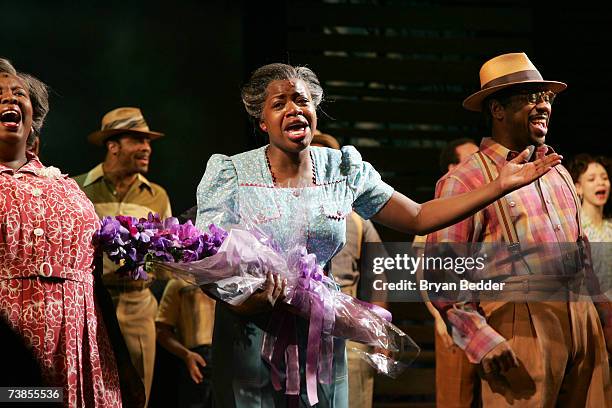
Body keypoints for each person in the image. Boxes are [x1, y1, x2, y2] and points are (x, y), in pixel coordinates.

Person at [195, 62, 562, 407]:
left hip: (320, 334)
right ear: (263, 120)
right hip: (252, 332)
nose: (294, 109)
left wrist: (497, 186)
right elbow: (206, 258)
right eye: (280, 103)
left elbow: (418, 216)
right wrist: (247, 300)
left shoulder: (341, 167)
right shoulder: (231, 173)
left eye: (302, 100)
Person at [426, 52, 611, 406]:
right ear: (497, 109)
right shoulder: (466, 179)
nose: (543, 106)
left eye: (547, 98)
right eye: (531, 98)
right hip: (519, 323)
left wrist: (602, 318)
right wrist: (480, 338)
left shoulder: (556, 170)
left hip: (582, 322)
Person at [0, 58, 122, 405]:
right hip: (14, 343)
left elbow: (93, 274)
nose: (9, 99)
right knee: (25, 398)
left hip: (78, 345)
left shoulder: (67, 187)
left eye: (18, 93)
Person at [74, 106, 172, 407]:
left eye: (149, 141)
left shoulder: (156, 195)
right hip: (89, 307)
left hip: (137, 306)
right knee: (87, 392)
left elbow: (166, 259)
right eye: (137, 140)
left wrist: (149, 265)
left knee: (137, 394)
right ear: (112, 145)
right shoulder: (77, 189)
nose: (147, 148)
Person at [311, 130, 387, 408]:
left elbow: (379, 273)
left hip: (349, 332)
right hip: (295, 331)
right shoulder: (283, 211)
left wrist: (379, 332)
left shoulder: (357, 220)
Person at [413, 137, 480, 408]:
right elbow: (423, 270)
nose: (479, 165)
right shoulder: (438, 210)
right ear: (452, 168)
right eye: (470, 159)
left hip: (492, 318)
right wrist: (439, 316)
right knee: (456, 398)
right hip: (456, 321)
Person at [156, 278, 216, 408]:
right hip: (197, 358)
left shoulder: (227, 274)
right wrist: (186, 355)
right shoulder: (180, 281)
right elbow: (161, 330)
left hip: (227, 356)